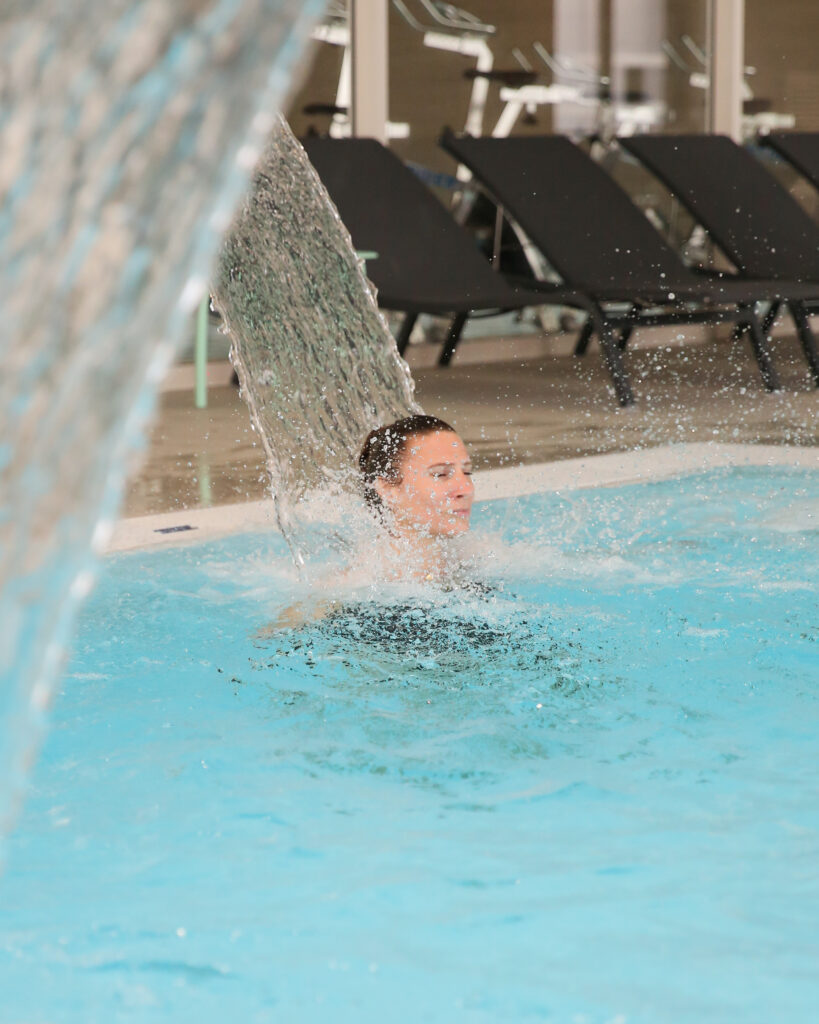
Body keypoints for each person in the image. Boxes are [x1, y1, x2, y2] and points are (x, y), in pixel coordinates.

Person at [358, 414, 474, 582]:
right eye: (441, 474)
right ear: (388, 489)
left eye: (467, 472)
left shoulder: (479, 559)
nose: (467, 489)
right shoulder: (355, 587)